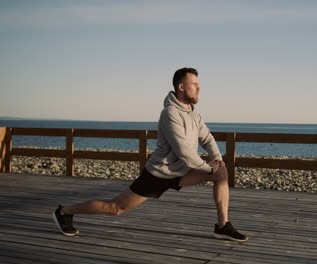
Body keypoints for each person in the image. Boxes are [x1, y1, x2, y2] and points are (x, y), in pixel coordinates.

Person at [53, 67, 248, 242]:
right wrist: (207, 167)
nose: (199, 88)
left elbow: (206, 137)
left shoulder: (193, 113)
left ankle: (222, 226)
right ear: (181, 86)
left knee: (221, 172)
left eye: (199, 84)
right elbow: (185, 153)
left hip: (181, 173)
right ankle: (65, 211)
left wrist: (217, 160)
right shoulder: (170, 113)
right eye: (194, 84)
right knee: (116, 208)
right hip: (159, 174)